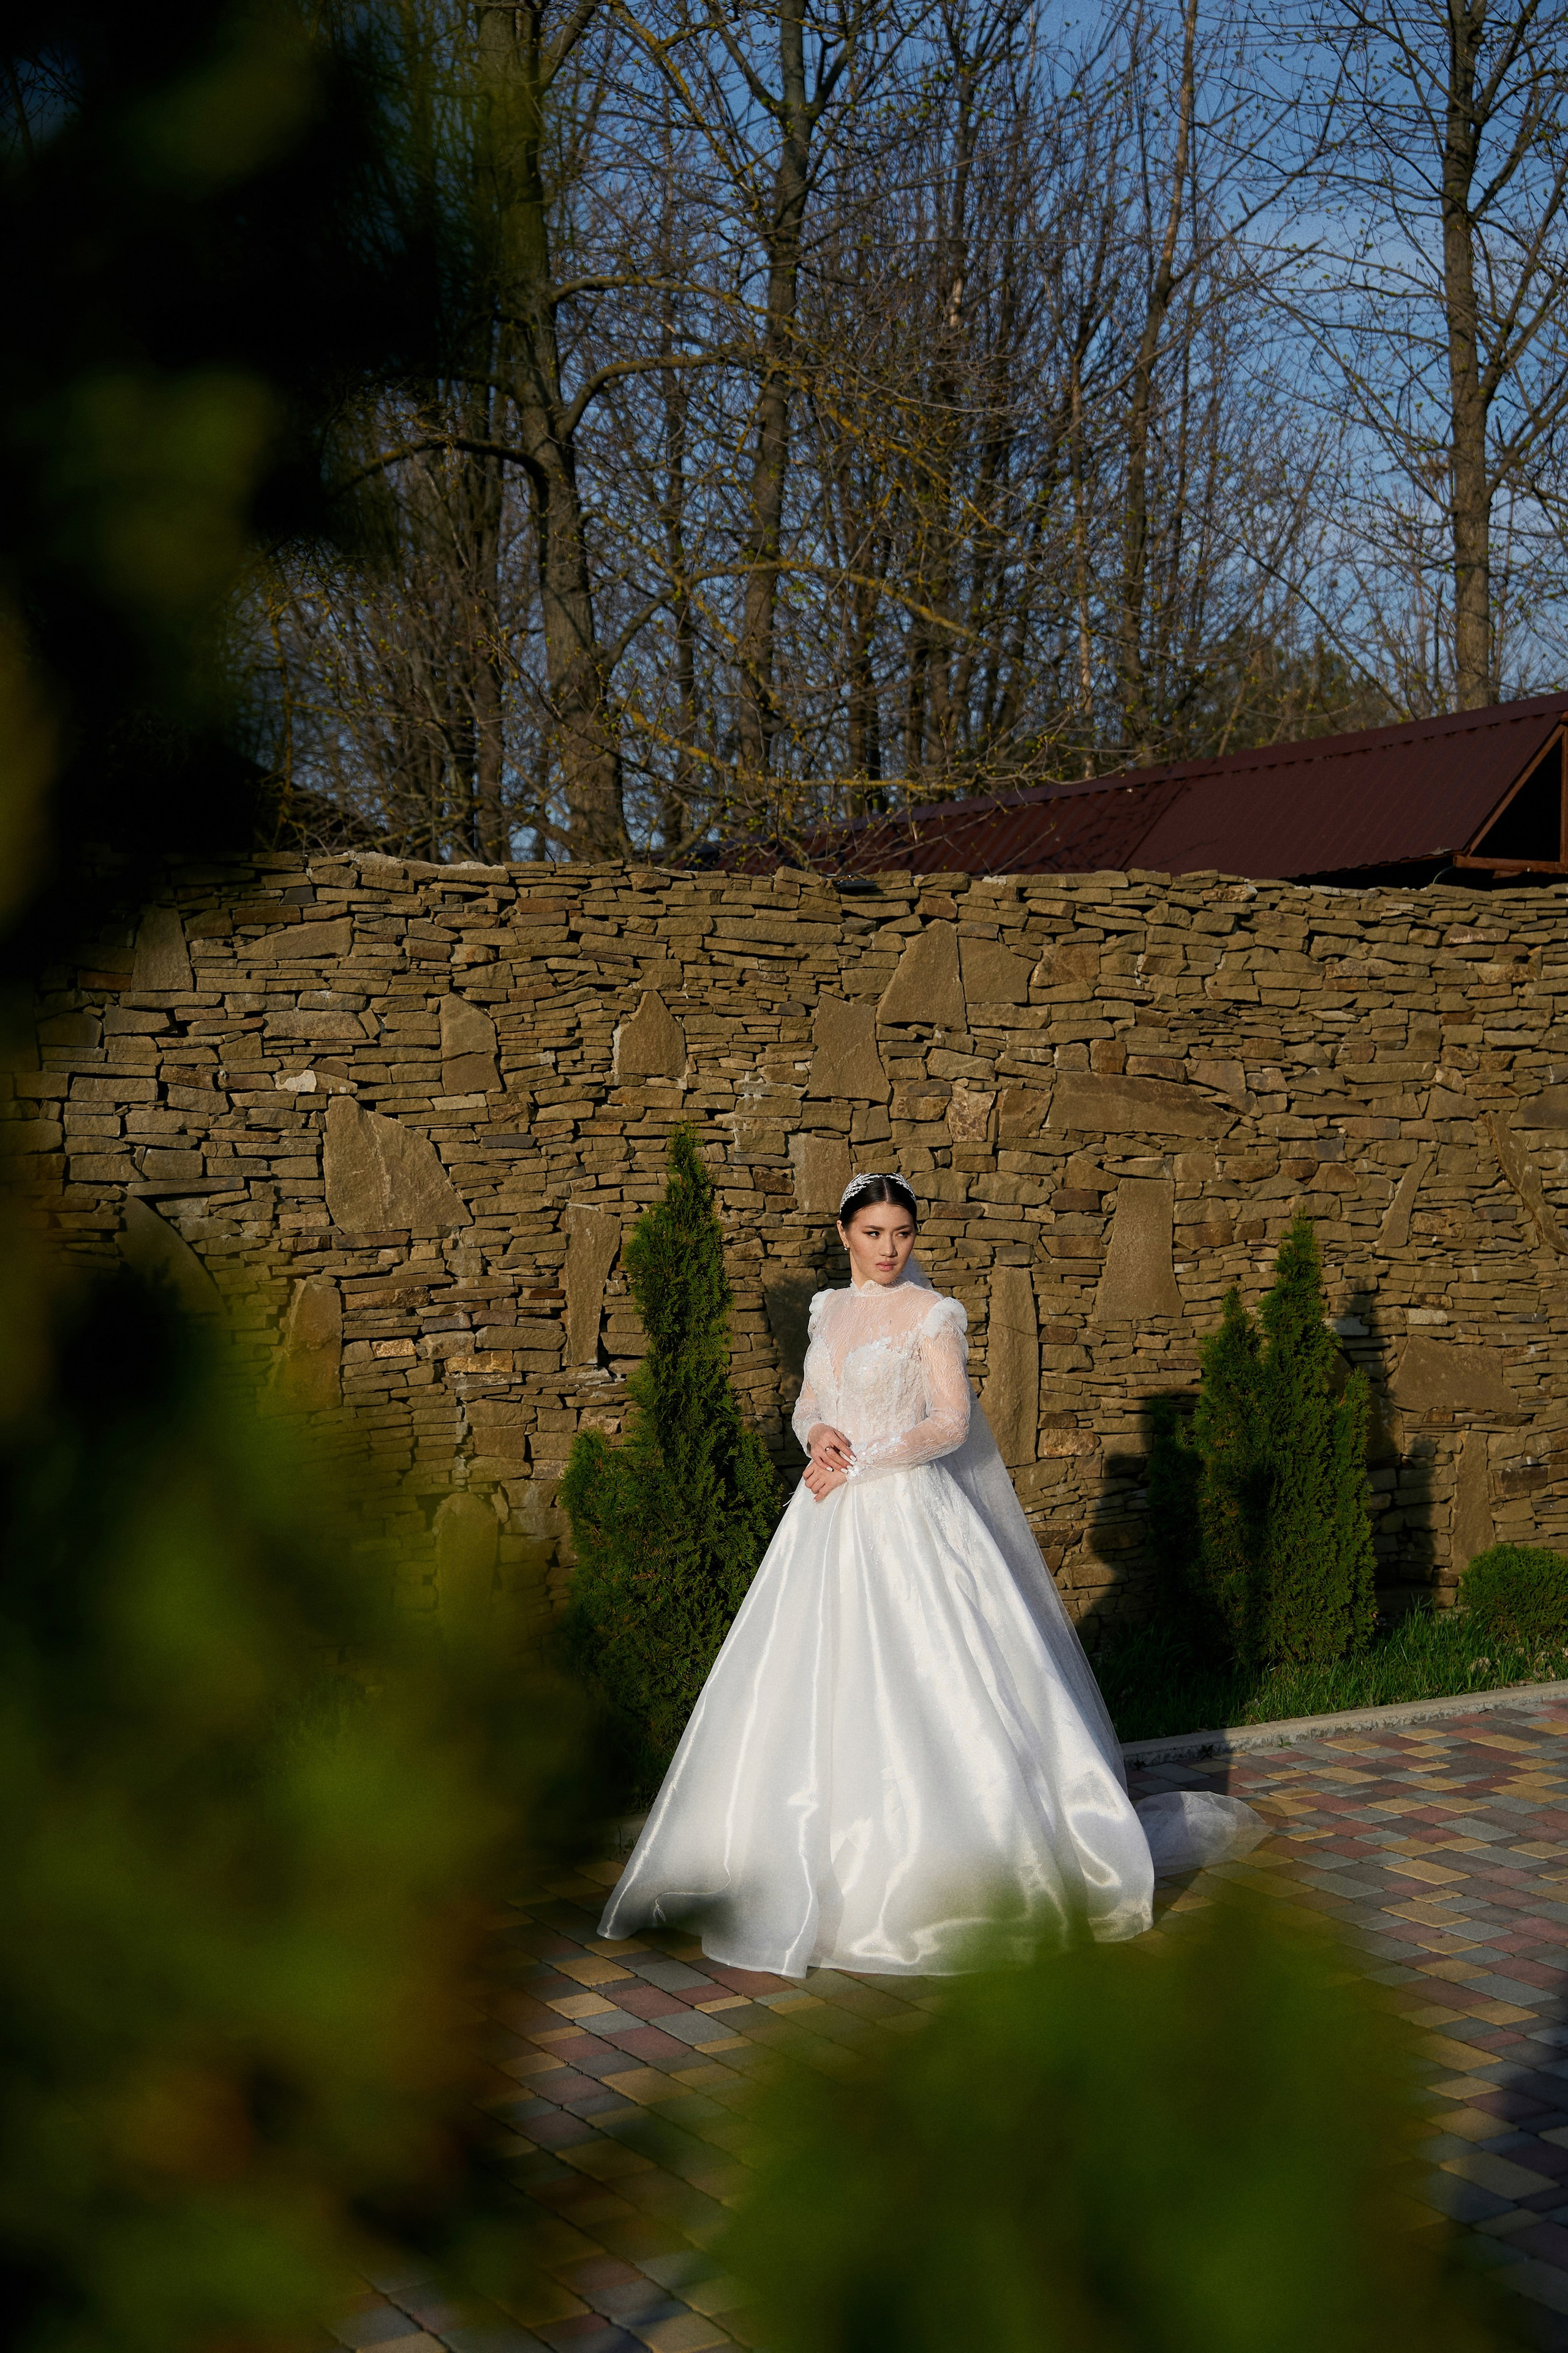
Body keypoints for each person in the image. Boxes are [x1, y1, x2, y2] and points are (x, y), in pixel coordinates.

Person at [598, 1172, 1263, 1979]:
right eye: (874, 1232)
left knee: (936, 1682)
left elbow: (949, 1424)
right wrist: (820, 1437)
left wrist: (863, 1461)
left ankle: (950, 1879)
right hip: (826, 1515)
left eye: (902, 1233)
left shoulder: (932, 1316)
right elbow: (808, 1400)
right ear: (844, 1232)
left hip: (909, 1514)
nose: (889, 1248)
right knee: (802, 1686)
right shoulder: (827, 1310)